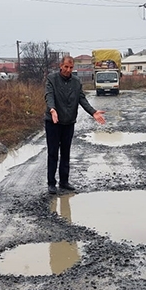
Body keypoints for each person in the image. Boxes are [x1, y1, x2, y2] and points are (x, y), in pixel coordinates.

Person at [44, 56, 106, 194]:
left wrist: (93, 112)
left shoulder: (76, 82)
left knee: (66, 153)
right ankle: (51, 183)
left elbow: (82, 99)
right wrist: (52, 109)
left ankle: (64, 182)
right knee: (53, 153)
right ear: (61, 65)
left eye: (71, 67)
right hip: (53, 122)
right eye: (66, 67)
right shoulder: (52, 79)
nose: (68, 70)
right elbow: (49, 96)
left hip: (68, 123)